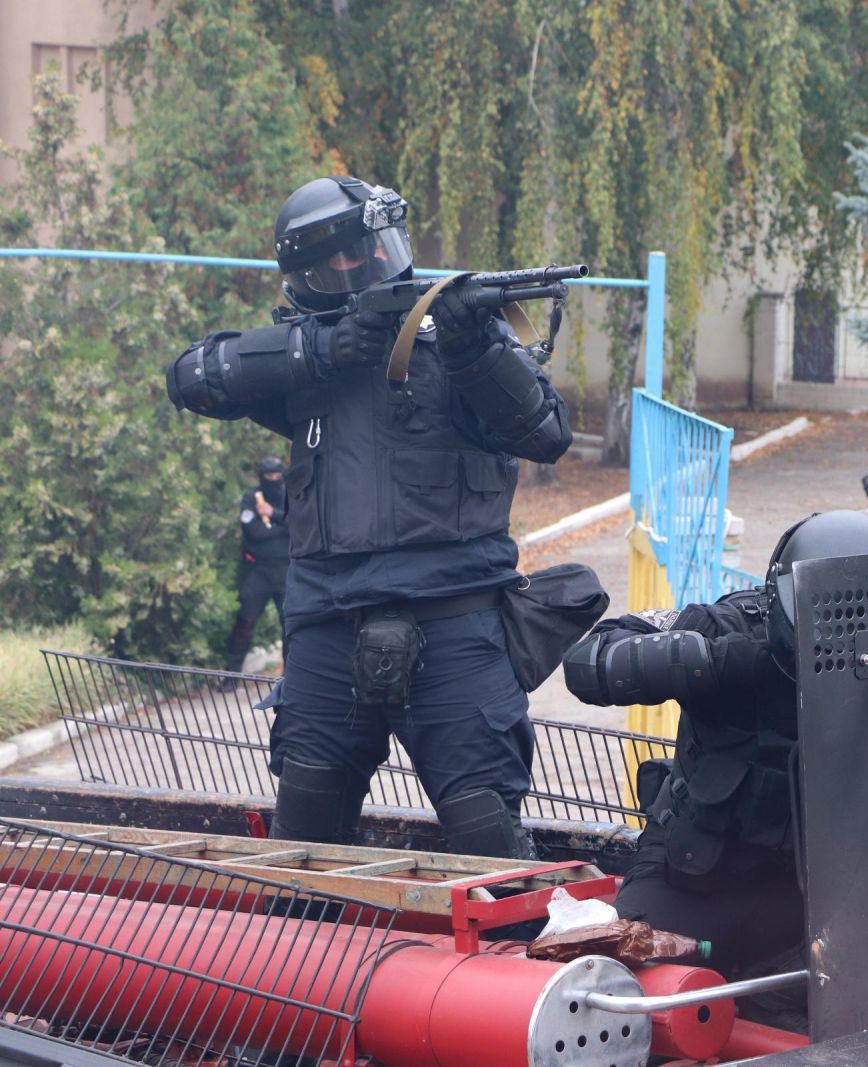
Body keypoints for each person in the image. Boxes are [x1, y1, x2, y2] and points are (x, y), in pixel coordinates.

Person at [165, 175, 573, 857]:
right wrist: (322, 350)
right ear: (306, 271)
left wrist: (480, 351)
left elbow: (547, 433)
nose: (366, 265)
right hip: (327, 630)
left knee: (491, 846)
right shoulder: (309, 355)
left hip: (455, 624)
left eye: (373, 248)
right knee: (305, 850)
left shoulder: (461, 333)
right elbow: (193, 375)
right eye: (343, 258)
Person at [562, 510, 868, 1018]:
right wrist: (705, 662)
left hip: (814, 891)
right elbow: (588, 659)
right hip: (697, 875)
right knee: (613, 994)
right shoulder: (727, 625)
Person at [219, 456, 291, 688]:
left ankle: (292, 679)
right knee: (244, 623)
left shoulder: (289, 495)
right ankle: (231, 677)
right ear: (261, 476)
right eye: (268, 475)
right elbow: (253, 531)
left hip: (286, 570)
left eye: (276, 475)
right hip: (257, 571)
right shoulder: (252, 497)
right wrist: (284, 528)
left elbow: (301, 523)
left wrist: (273, 513)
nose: (273, 479)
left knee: (291, 625)